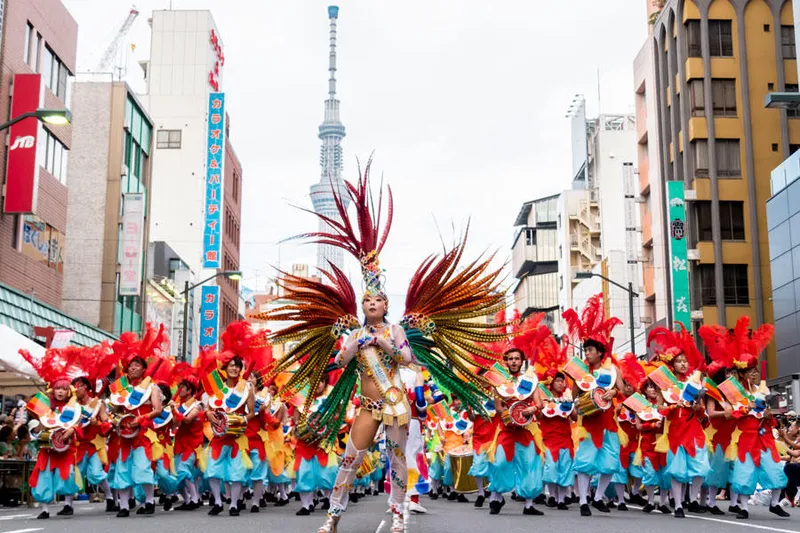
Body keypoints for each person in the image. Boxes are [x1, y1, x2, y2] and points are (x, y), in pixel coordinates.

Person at [249, 165, 509, 533]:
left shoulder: (397, 329)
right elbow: (338, 361)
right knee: (350, 460)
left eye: (377, 299)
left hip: (395, 403)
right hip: (368, 406)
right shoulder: (353, 333)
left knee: (399, 461)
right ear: (362, 304)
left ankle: (399, 514)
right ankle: (333, 516)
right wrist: (355, 345)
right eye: (366, 299)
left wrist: (383, 341)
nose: (371, 303)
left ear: (385, 304)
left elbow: (408, 358)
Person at [700, 317, 789, 520]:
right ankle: (743, 508)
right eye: (750, 371)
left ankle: (775, 503)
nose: (754, 374)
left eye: (755, 370)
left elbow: (770, 415)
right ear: (741, 373)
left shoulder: (761, 390)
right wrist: (741, 409)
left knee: (775, 469)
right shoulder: (732, 393)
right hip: (745, 438)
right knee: (743, 474)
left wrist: (767, 415)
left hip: (764, 437)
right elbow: (732, 414)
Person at [562, 294, 624, 517]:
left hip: (608, 422)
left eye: (590, 350)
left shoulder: (613, 370)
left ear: (600, 352)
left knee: (610, 463)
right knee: (584, 463)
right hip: (588, 422)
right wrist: (576, 404)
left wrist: (614, 391)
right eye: (585, 350)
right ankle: (583, 501)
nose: (587, 353)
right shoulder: (579, 373)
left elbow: (626, 390)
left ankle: (598, 498)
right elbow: (573, 396)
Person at [648, 325, 710, 518]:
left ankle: (691, 499)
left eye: (685, 361)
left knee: (701, 466)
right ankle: (679, 505)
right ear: (671, 364)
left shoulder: (693, 383)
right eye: (679, 361)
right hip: (675, 428)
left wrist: (699, 409)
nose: (683, 364)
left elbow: (701, 412)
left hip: (693, 428)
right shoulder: (665, 385)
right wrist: (671, 408)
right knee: (677, 469)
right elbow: (659, 410)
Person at [107, 325, 167, 517]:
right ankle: (124, 506)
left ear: (143, 368)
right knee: (122, 470)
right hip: (124, 435)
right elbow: (116, 409)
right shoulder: (120, 388)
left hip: (143, 434)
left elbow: (158, 410)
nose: (133, 368)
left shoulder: (152, 388)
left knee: (142, 468)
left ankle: (149, 501)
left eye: (137, 365)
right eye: (131, 365)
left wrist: (141, 418)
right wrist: (115, 416)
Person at [19, 347, 82, 519]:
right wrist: (39, 424)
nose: (60, 391)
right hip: (47, 448)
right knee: (44, 475)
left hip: (65, 447)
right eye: (57, 388)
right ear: (52, 390)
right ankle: (44, 509)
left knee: (67, 475)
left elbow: (77, 424)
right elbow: (38, 429)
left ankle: (68, 503)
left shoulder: (74, 408)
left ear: (68, 391)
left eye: (63, 389)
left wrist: (71, 430)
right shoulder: (44, 407)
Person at [487, 345, 545, 516]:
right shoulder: (499, 382)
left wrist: (532, 409)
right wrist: (508, 413)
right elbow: (497, 407)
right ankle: (497, 496)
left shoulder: (531, 380)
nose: (514, 361)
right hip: (506, 429)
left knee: (529, 465)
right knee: (499, 462)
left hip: (526, 430)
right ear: (506, 361)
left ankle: (528, 504)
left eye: (517, 359)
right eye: (510, 358)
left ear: (522, 361)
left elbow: (539, 403)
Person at [204, 354, 255, 516]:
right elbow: (208, 408)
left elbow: (252, 412)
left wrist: (240, 421)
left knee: (237, 472)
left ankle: (233, 504)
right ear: (224, 369)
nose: (234, 368)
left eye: (237, 366)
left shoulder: (246, 387)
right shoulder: (216, 389)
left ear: (241, 369)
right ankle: (218, 502)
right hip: (219, 436)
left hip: (238, 436)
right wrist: (208, 414)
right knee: (212, 470)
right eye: (231, 365)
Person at [72, 375, 114, 511]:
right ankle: (68, 505)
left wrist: (98, 423)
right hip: (77, 445)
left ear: (86, 387)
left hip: (94, 446)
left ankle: (109, 498)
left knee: (97, 473)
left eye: (78, 386)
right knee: (75, 474)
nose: (75, 390)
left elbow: (107, 422)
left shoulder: (98, 404)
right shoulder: (71, 405)